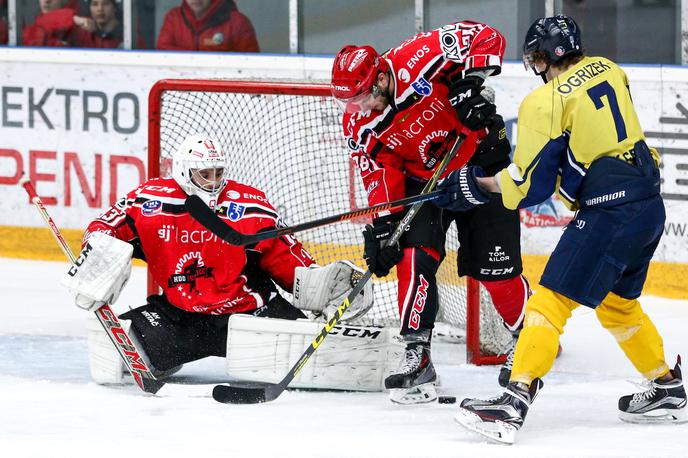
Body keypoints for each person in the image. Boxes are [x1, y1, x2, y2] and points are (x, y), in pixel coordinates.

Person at [449, 15, 687, 444]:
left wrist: (476, 185)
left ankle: (513, 402)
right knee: (618, 306)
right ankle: (668, 387)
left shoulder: (544, 102)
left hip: (609, 211)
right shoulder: (611, 69)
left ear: (542, 57)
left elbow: (529, 186)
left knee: (548, 302)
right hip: (649, 204)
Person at [61, 134, 375, 385]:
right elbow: (104, 229)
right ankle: (171, 352)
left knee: (321, 362)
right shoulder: (149, 203)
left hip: (250, 316)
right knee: (109, 351)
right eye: (204, 174)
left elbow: (285, 256)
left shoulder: (249, 205)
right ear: (184, 171)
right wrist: (95, 260)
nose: (213, 181)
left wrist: (320, 285)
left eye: (218, 173)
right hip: (180, 318)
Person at [330, 21, 531, 404]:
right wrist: (383, 225)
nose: (356, 109)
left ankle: (528, 337)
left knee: (498, 271)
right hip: (428, 184)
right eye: (349, 102)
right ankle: (417, 354)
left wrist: (471, 81)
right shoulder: (359, 122)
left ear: (379, 81)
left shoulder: (418, 55)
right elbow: (379, 169)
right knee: (411, 254)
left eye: (360, 98)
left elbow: (486, 34)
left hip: (481, 164)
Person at [157, 0, 259, 52]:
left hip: (223, 87)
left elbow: (251, 62)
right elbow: (163, 52)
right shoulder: (173, 17)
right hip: (180, 85)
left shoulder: (238, 22)